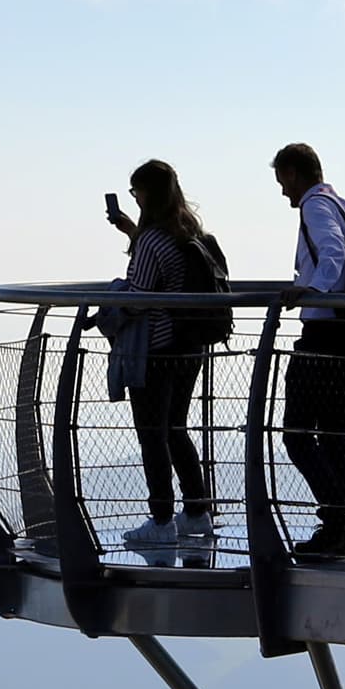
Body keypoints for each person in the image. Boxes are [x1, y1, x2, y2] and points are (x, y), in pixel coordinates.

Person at [100, 160, 228, 553]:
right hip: (190, 346)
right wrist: (130, 231)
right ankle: (196, 510)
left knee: (151, 433)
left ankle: (161, 519)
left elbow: (139, 298)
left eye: (136, 191)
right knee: (175, 429)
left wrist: (110, 304)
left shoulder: (153, 241)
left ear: (147, 194)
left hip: (156, 349)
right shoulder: (190, 233)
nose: (134, 196)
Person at [272, 141, 345, 561]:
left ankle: (338, 522)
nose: (283, 191)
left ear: (295, 173)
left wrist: (313, 289)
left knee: (297, 434)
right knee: (335, 433)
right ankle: (338, 525)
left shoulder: (316, 208)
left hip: (324, 332)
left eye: (283, 180)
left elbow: (332, 249)